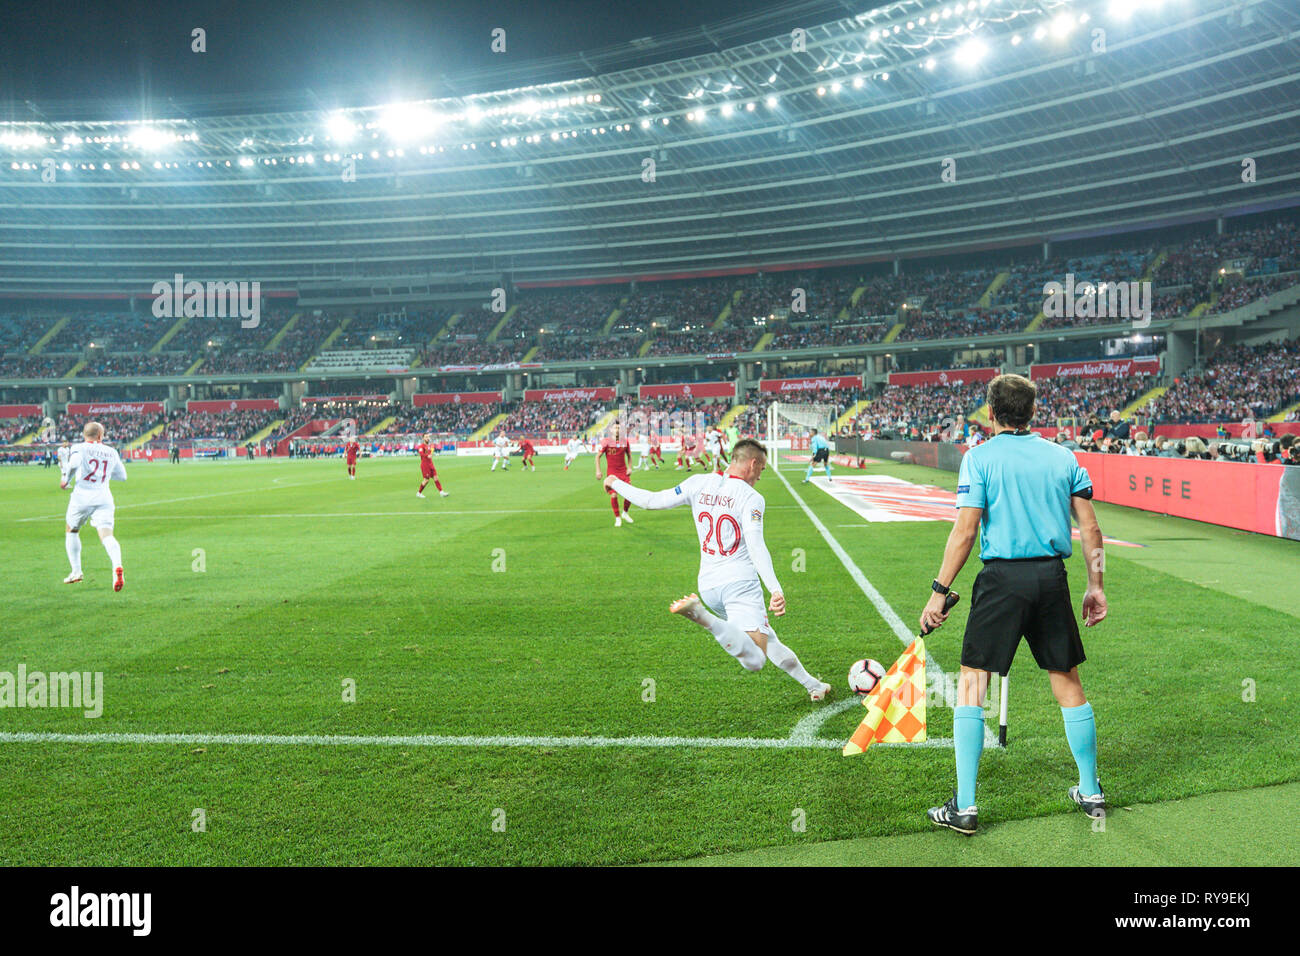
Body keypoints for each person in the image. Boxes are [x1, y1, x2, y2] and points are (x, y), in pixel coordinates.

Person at [919, 374, 1107, 835]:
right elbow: (1092, 530)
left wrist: (939, 592)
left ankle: (965, 807)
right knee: (1066, 679)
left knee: (972, 684)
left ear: (989, 411)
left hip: (1002, 580)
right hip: (1051, 579)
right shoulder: (1064, 457)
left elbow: (965, 532)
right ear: (1033, 411)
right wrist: (1096, 585)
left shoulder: (979, 458)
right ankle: (1091, 791)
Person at [603, 438, 830, 701]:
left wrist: (615, 482)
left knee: (769, 640)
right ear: (753, 463)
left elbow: (652, 501)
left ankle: (814, 685)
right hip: (740, 583)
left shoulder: (699, 483)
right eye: (761, 470)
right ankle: (703, 618)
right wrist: (775, 588)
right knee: (755, 659)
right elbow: (755, 543)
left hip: (709, 585)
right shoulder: (751, 497)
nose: (759, 476)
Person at [60, 421, 128, 591]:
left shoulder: (80, 447)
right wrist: (102, 474)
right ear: (100, 435)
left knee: (72, 529)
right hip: (104, 496)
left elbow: (74, 464)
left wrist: (65, 480)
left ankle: (76, 571)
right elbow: (123, 476)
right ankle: (117, 568)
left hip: (82, 496)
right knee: (107, 536)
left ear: (85, 435)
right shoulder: (111, 451)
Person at [595, 421, 634, 527]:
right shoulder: (606, 442)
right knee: (614, 494)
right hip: (612, 473)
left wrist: (630, 467)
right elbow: (597, 456)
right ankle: (617, 518)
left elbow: (629, 456)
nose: (617, 429)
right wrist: (598, 471)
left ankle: (625, 513)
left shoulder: (625, 441)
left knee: (630, 495)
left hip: (623, 473)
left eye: (618, 427)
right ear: (610, 430)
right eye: (615, 428)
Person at [416, 434, 448, 498]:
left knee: (436, 478)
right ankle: (419, 493)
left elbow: (430, 454)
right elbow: (421, 454)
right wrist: (427, 455)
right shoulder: (421, 446)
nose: (428, 438)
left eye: (428, 437)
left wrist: (431, 454)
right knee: (426, 480)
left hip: (431, 464)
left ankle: (441, 492)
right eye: (426, 437)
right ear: (423, 438)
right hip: (425, 465)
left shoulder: (429, 446)